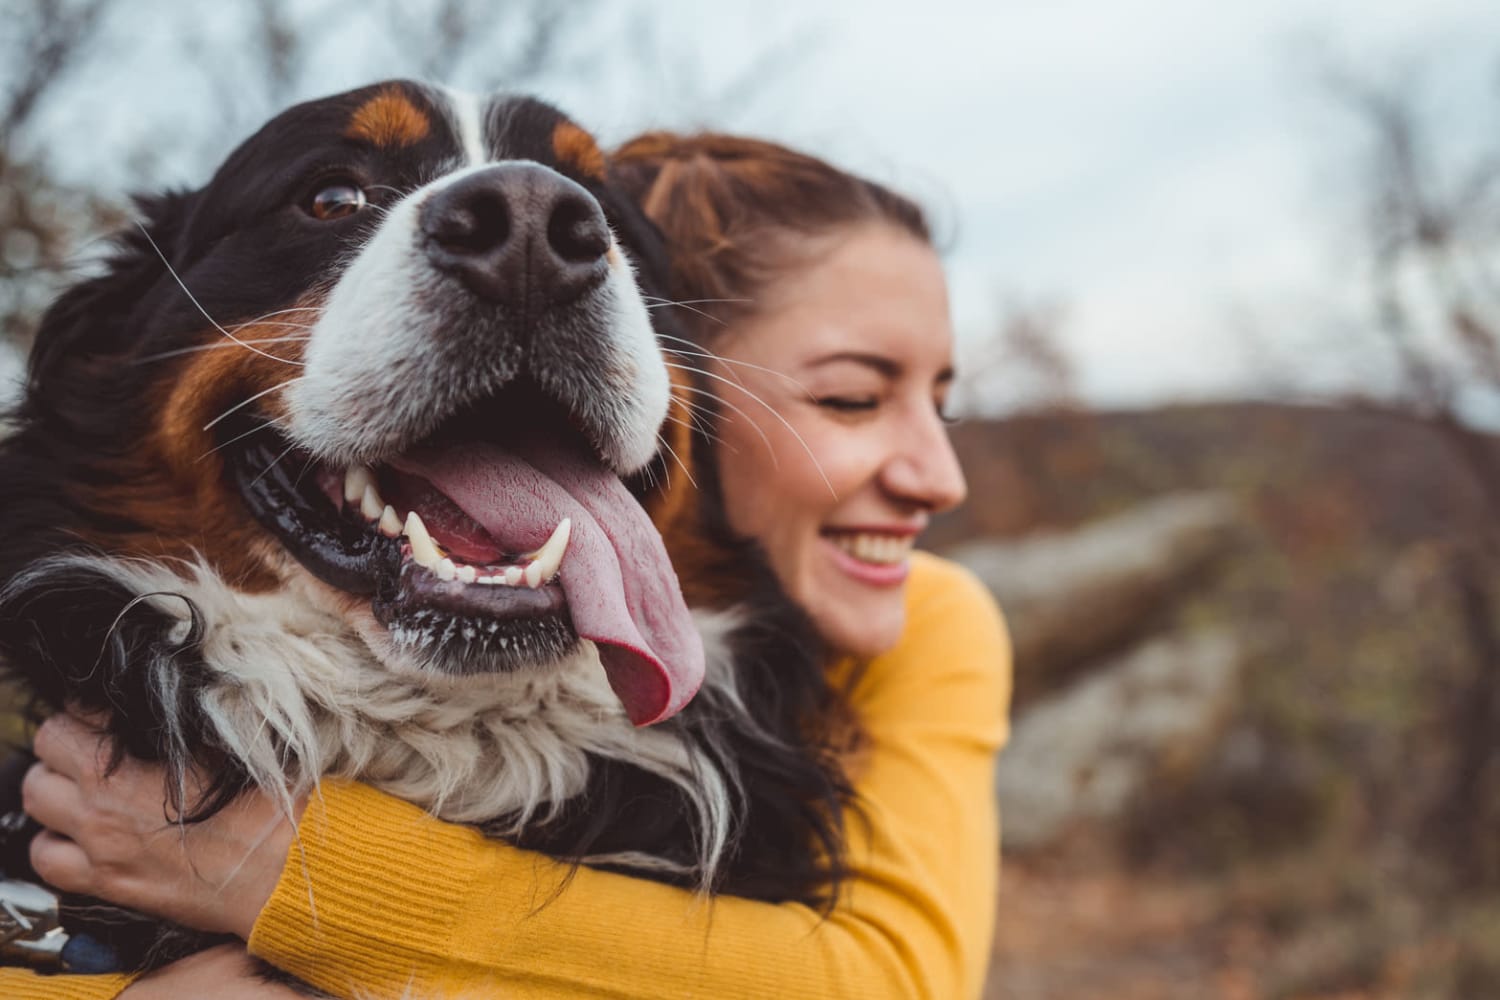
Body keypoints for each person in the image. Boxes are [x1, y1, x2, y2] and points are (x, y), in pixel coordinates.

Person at [5, 133, 1012, 1000]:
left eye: (944, 402)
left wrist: (288, 872)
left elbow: (889, 978)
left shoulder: (934, 618)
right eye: (850, 399)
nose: (942, 477)